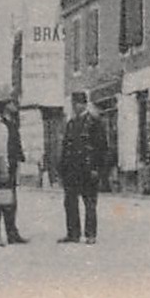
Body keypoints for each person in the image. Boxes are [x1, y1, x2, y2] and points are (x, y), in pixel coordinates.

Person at [58, 99, 108, 244]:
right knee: (70, 203)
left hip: (88, 169)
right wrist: (62, 169)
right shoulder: (71, 123)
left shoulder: (94, 122)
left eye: (79, 103)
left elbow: (101, 148)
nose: (77, 106)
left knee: (90, 202)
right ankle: (73, 234)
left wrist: (96, 168)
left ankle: (90, 234)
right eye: (75, 104)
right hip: (72, 171)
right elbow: (66, 148)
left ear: (85, 104)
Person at [0, 100, 28, 245]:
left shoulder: (11, 124)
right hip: (3, 167)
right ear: (6, 108)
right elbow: (0, 150)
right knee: (0, 202)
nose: (15, 106)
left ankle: (12, 234)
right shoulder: (1, 126)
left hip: (10, 166)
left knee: (10, 202)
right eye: (12, 104)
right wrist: (3, 169)